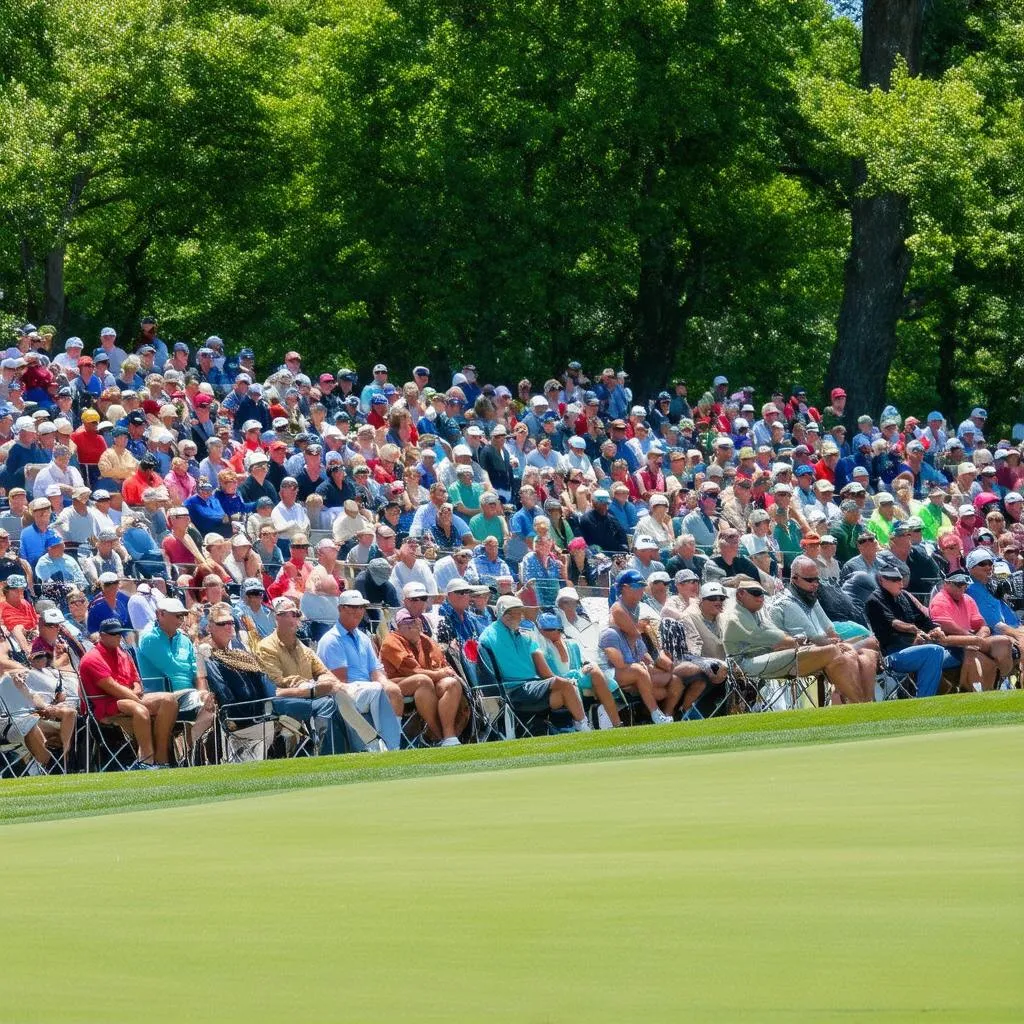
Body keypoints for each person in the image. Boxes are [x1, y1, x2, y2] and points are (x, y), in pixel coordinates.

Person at [768, 556, 877, 703]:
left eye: (817, 579)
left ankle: (868, 702)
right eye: (810, 580)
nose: (815, 584)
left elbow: (830, 630)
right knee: (845, 656)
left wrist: (837, 642)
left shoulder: (811, 599)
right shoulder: (783, 604)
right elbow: (802, 639)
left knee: (869, 652)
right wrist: (833, 644)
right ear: (794, 578)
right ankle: (860, 704)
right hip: (795, 655)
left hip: (823, 648)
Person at [477, 595, 591, 730]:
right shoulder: (489, 635)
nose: (521, 616)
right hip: (514, 690)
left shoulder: (524, 636)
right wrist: (558, 680)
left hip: (529, 687)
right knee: (564, 684)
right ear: (506, 615)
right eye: (518, 612)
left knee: (565, 690)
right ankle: (583, 725)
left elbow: (544, 671)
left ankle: (575, 725)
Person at [77, 617, 179, 768]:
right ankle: (145, 759)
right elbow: (112, 688)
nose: (118, 637)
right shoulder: (91, 658)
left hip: (129, 697)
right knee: (139, 709)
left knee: (170, 700)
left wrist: (137, 690)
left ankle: (162, 759)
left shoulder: (123, 653)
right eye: (113, 634)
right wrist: (139, 700)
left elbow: (136, 681)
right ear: (102, 635)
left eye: (119, 633)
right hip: (105, 704)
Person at [314, 591, 404, 750]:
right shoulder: (331, 640)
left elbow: (375, 670)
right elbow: (340, 681)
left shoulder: (363, 637)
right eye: (352, 607)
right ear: (340, 608)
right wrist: (378, 687)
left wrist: (386, 684)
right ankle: (383, 745)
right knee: (378, 689)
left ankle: (393, 743)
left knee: (391, 689)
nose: (358, 611)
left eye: (361, 607)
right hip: (345, 693)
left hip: (365, 690)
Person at [865, 564, 962, 698]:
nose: (900, 582)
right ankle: (924, 700)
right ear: (882, 580)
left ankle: (964, 692)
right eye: (894, 580)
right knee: (934, 651)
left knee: (961, 650)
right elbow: (894, 623)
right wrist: (915, 630)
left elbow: (923, 619)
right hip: (893, 655)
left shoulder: (904, 596)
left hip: (918, 648)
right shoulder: (874, 600)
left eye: (900, 578)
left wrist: (936, 629)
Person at [379, 608, 467, 745]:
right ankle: (437, 736)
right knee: (422, 681)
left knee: (451, 683)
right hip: (397, 682)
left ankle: (450, 737)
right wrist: (438, 674)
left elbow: (440, 663)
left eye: (414, 622)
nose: (412, 626)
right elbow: (411, 670)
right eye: (406, 623)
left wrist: (444, 672)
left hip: (429, 681)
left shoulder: (426, 640)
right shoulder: (391, 641)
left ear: (420, 623)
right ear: (398, 626)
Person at [135, 596, 217, 744]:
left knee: (213, 702)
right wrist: (198, 684)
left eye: (183, 615)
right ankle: (190, 748)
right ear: (160, 614)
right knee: (208, 704)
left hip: (188, 694)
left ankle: (190, 748)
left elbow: (196, 671)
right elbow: (173, 668)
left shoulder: (184, 640)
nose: (181, 619)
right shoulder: (148, 638)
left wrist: (202, 690)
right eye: (177, 615)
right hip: (163, 695)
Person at [535, 611, 622, 729]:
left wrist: (585, 667)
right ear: (541, 631)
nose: (555, 632)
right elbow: (546, 675)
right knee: (589, 674)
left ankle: (616, 722)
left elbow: (583, 662)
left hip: (577, 676)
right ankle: (589, 721)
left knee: (595, 670)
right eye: (549, 630)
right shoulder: (540, 649)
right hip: (558, 682)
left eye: (557, 629)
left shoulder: (572, 644)